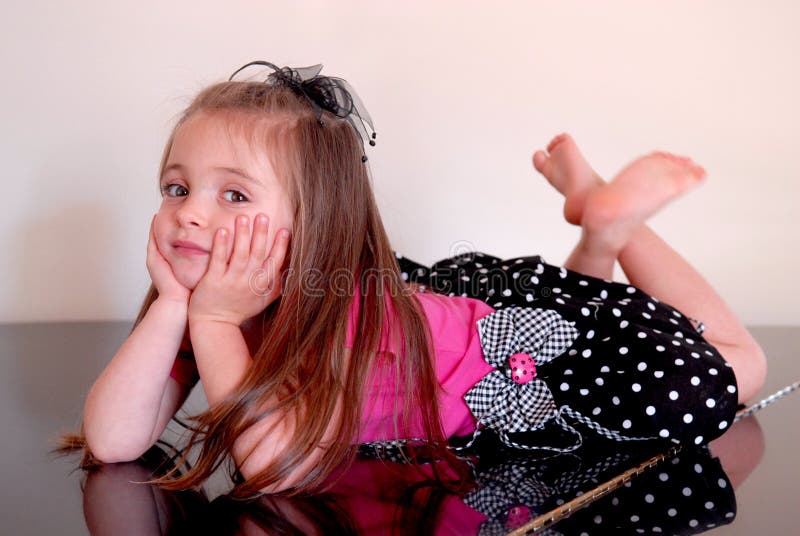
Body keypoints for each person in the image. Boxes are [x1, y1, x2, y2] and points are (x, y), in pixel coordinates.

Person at [61, 61, 766, 499]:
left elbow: (278, 466)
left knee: (740, 363)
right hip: (475, 328)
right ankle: (600, 236)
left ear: (314, 226)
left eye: (234, 197)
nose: (189, 216)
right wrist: (175, 307)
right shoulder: (216, 301)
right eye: (176, 188)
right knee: (579, 309)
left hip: (502, 354)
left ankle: (616, 221)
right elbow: (115, 439)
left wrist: (211, 323)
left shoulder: (335, 319)